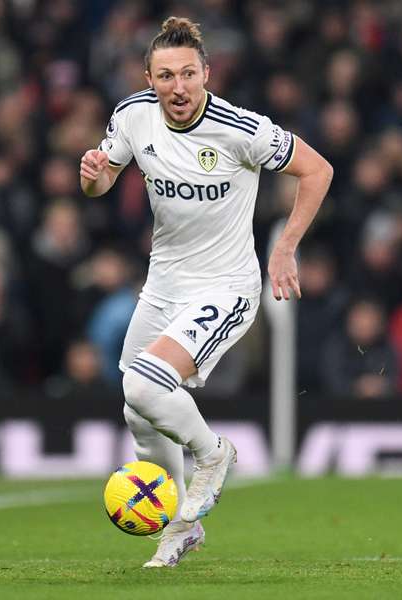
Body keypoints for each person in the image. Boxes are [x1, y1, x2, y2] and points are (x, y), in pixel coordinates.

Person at [79, 17, 332, 568]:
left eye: (189, 74)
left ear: (207, 74)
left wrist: (286, 246)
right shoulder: (132, 115)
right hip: (163, 284)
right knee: (137, 411)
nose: (179, 87)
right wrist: (93, 173)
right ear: (149, 78)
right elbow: (99, 186)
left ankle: (213, 454)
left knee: (147, 387)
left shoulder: (241, 128)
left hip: (226, 287)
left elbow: (318, 170)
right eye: (166, 76)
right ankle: (177, 530)